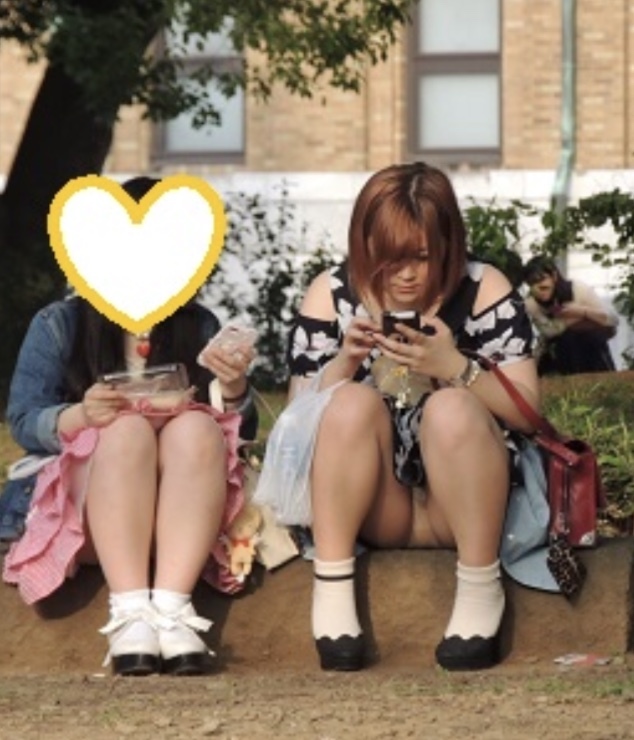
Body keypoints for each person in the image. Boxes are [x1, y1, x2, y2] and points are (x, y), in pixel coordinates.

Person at [274, 161, 540, 672]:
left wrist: (456, 368)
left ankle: (480, 588)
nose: (406, 274)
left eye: (421, 255)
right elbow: (295, 429)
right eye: (389, 257)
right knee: (348, 403)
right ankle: (332, 588)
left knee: (451, 408)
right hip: (376, 506)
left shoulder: (483, 288)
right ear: (364, 245)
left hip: (465, 507)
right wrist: (343, 364)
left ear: (448, 244)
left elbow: (528, 415)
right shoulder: (332, 294)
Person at [2, 176, 258, 677]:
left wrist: (231, 390)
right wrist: (81, 416)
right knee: (126, 430)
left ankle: (172, 611)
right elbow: (24, 420)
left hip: (182, 511)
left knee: (198, 428)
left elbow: (236, 434)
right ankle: (130, 614)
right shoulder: (60, 324)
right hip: (87, 515)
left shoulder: (198, 325)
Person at [522, 255, 618, 375]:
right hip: (559, 357)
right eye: (531, 283)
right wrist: (576, 320)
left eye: (541, 280)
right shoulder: (531, 304)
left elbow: (612, 319)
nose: (537, 288)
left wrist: (581, 311)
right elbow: (549, 331)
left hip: (591, 353)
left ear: (554, 276)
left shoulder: (578, 289)